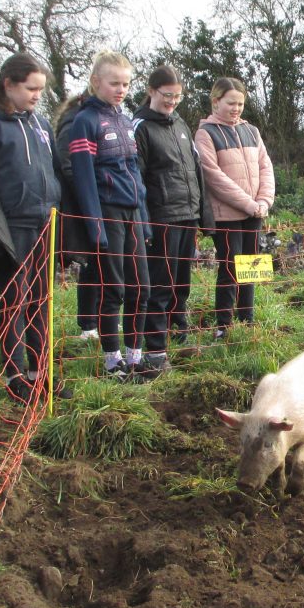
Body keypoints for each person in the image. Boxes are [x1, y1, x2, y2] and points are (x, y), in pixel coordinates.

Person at [0, 52, 68, 404]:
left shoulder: (39, 123)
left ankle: (42, 374)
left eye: (41, 89)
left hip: (45, 220)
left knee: (42, 300)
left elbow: (54, 168)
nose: (37, 95)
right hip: (12, 224)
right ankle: (16, 375)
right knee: (15, 300)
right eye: (30, 88)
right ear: (8, 85)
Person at [68, 51, 150, 380]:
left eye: (126, 84)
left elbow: (134, 170)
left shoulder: (126, 120)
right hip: (107, 212)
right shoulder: (84, 121)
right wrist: (95, 225)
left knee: (141, 287)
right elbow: (84, 178)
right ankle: (112, 360)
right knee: (113, 288)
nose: (121, 89)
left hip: (133, 213)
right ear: (96, 82)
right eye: (114, 82)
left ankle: (135, 356)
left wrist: (143, 216)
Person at [132, 65, 211, 375]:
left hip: (187, 214)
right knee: (161, 282)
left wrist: (202, 213)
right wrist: (145, 222)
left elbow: (195, 168)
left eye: (178, 96)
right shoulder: (140, 127)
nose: (173, 101)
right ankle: (156, 340)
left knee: (182, 279)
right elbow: (137, 178)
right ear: (152, 91)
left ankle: (179, 327)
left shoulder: (180, 124)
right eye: (167, 95)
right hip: (162, 215)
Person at [194, 77, 274, 338]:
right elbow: (214, 177)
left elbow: (265, 166)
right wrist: (249, 204)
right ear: (216, 101)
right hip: (227, 216)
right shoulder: (205, 133)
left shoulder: (252, 131)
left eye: (240, 103)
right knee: (229, 267)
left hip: (255, 212)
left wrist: (264, 201)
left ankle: (247, 318)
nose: (236, 108)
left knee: (252, 265)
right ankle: (223, 327)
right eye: (231, 103)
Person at [55, 89, 102, 341]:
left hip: (97, 202)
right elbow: (69, 164)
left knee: (100, 263)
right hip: (80, 206)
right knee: (92, 263)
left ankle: (97, 322)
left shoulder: (97, 117)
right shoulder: (75, 121)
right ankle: (88, 325)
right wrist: (92, 195)